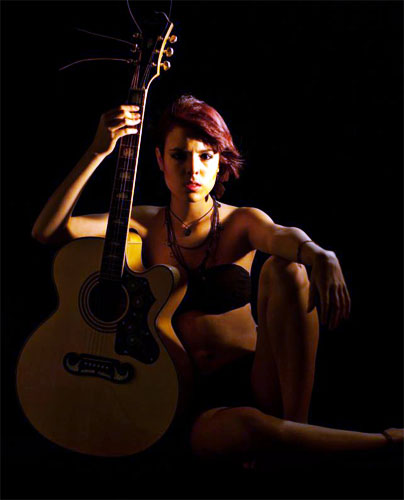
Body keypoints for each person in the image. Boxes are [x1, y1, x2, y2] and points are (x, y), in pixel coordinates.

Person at [32, 95, 402, 467]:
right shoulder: (144, 223)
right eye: (179, 156)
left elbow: (280, 236)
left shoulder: (240, 222)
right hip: (186, 397)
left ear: (220, 162)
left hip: (258, 379)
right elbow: (50, 230)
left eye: (206, 156)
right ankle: (384, 444)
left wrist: (319, 253)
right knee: (245, 427)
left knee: (288, 269)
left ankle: (297, 428)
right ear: (160, 160)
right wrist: (97, 151)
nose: (192, 169)